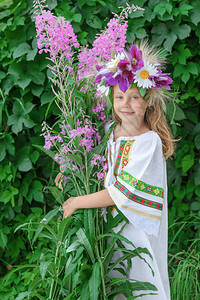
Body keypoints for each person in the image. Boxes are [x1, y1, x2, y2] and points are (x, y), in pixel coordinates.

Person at [62, 41, 174, 299]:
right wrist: (70, 172)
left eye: (134, 97)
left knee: (141, 281)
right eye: (119, 97)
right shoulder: (110, 133)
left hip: (137, 232)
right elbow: (98, 168)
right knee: (112, 282)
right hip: (109, 228)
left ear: (148, 102)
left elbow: (120, 192)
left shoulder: (148, 141)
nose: (126, 104)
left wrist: (77, 202)